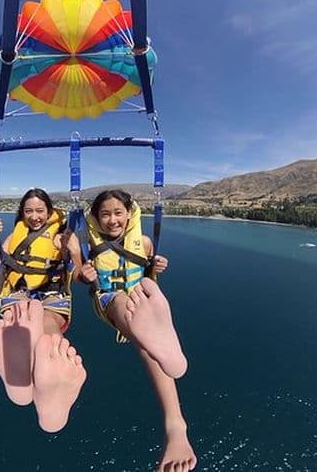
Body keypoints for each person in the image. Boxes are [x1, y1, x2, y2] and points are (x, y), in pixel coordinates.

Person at [80, 189, 197, 472]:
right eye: (105, 214)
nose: (112, 220)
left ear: (129, 214)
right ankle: (174, 421)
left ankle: (176, 425)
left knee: (147, 342)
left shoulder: (143, 242)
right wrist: (83, 275)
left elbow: (148, 270)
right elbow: (73, 272)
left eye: (118, 213)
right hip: (110, 300)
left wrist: (158, 264)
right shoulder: (84, 243)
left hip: (140, 298)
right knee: (125, 305)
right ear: (96, 218)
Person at [0, 188, 87, 433]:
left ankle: (50, 369)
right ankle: (32, 351)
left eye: (40, 210)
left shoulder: (61, 236)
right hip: (19, 292)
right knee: (20, 313)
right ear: (22, 213)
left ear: (49, 212)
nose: (35, 216)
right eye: (29, 211)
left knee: (47, 323)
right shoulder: (12, 237)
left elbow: (81, 276)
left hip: (52, 293)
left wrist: (73, 251)